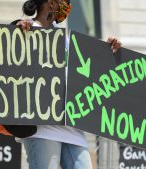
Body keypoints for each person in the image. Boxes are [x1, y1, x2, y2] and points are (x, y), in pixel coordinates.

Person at [17, 0, 122, 169]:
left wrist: (109, 53)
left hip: (71, 128)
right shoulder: (25, 28)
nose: (67, 6)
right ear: (50, 3)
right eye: (64, 1)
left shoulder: (64, 36)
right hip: (43, 128)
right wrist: (16, 31)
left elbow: (83, 70)